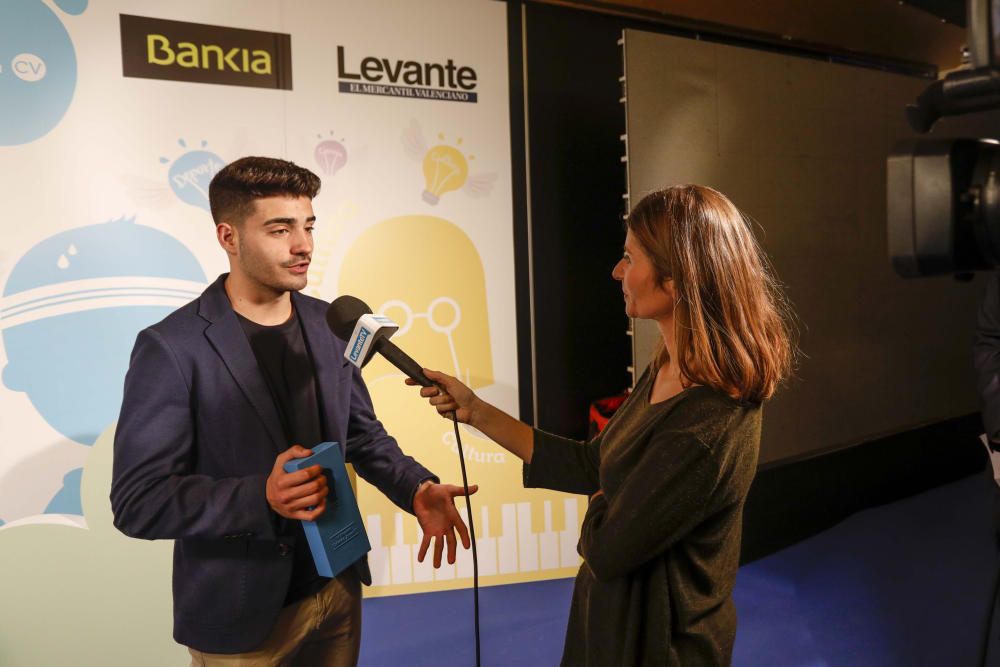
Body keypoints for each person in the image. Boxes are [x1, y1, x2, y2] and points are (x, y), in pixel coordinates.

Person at [110, 156, 475, 666]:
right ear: (228, 237)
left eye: (307, 226)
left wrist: (414, 487)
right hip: (242, 617)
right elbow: (137, 502)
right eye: (280, 229)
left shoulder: (332, 324)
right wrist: (261, 495)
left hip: (338, 589)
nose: (303, 245)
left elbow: (363, 437)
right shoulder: (171, 348)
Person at [413, 185, 794, 666]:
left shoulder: (705, 422)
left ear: (676, 280)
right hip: (613, 625)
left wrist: (604, 503)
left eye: (630, 258)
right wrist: (477, 412)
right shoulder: (667, 369)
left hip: (657, 648)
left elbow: (610, 547)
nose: (618, 271)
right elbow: (593, 464)